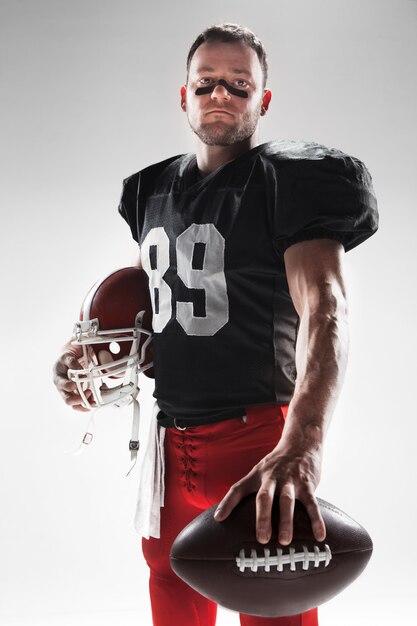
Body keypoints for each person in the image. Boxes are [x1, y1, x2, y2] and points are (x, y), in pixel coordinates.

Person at [53, 23, 378, 626]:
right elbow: (150, 301)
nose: (220, 95)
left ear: (263, 99)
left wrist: (303, 444)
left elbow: (328, 310)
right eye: (206, 84)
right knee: (171, 596)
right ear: (184, 94)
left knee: (272, 608)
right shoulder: (150, 190)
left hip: (257, 439)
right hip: (168, 445)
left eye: (238, 84)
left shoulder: (289, 180)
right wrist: (85, 357)